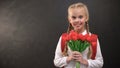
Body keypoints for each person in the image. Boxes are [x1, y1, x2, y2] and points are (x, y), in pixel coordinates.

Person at [54, 2, 103, 68]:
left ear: (86, 18)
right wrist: (69, 58)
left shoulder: (93, 39)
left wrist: (84, 61)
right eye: (74, 17)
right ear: (69, 20)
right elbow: (56, 61)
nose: (77, 20)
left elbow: (100, 63)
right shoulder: (64, 38)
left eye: (80, 17)